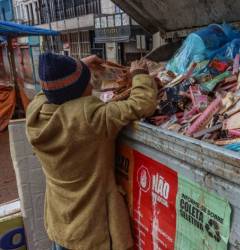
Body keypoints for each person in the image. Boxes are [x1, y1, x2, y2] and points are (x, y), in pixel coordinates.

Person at [25, 53, 158, 250]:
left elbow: (50, 91)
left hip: (61, 223)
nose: (91, 85)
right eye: (87, 82)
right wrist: (139, 74)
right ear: (79, 91)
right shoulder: (92, 118)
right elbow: (143, 103)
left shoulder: (35, 114)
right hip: (92, 230)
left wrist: (80, 66)